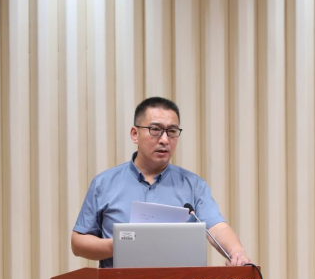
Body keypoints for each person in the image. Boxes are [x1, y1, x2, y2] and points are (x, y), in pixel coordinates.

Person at [71, 96, 250, 268]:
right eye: (155, 130)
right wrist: (120, 244)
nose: (164, 140)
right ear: (135, 134)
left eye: (172, 132)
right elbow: (78, 243)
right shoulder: (104, 184)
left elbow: (217, 228)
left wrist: (237, 252)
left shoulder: (193, 185)